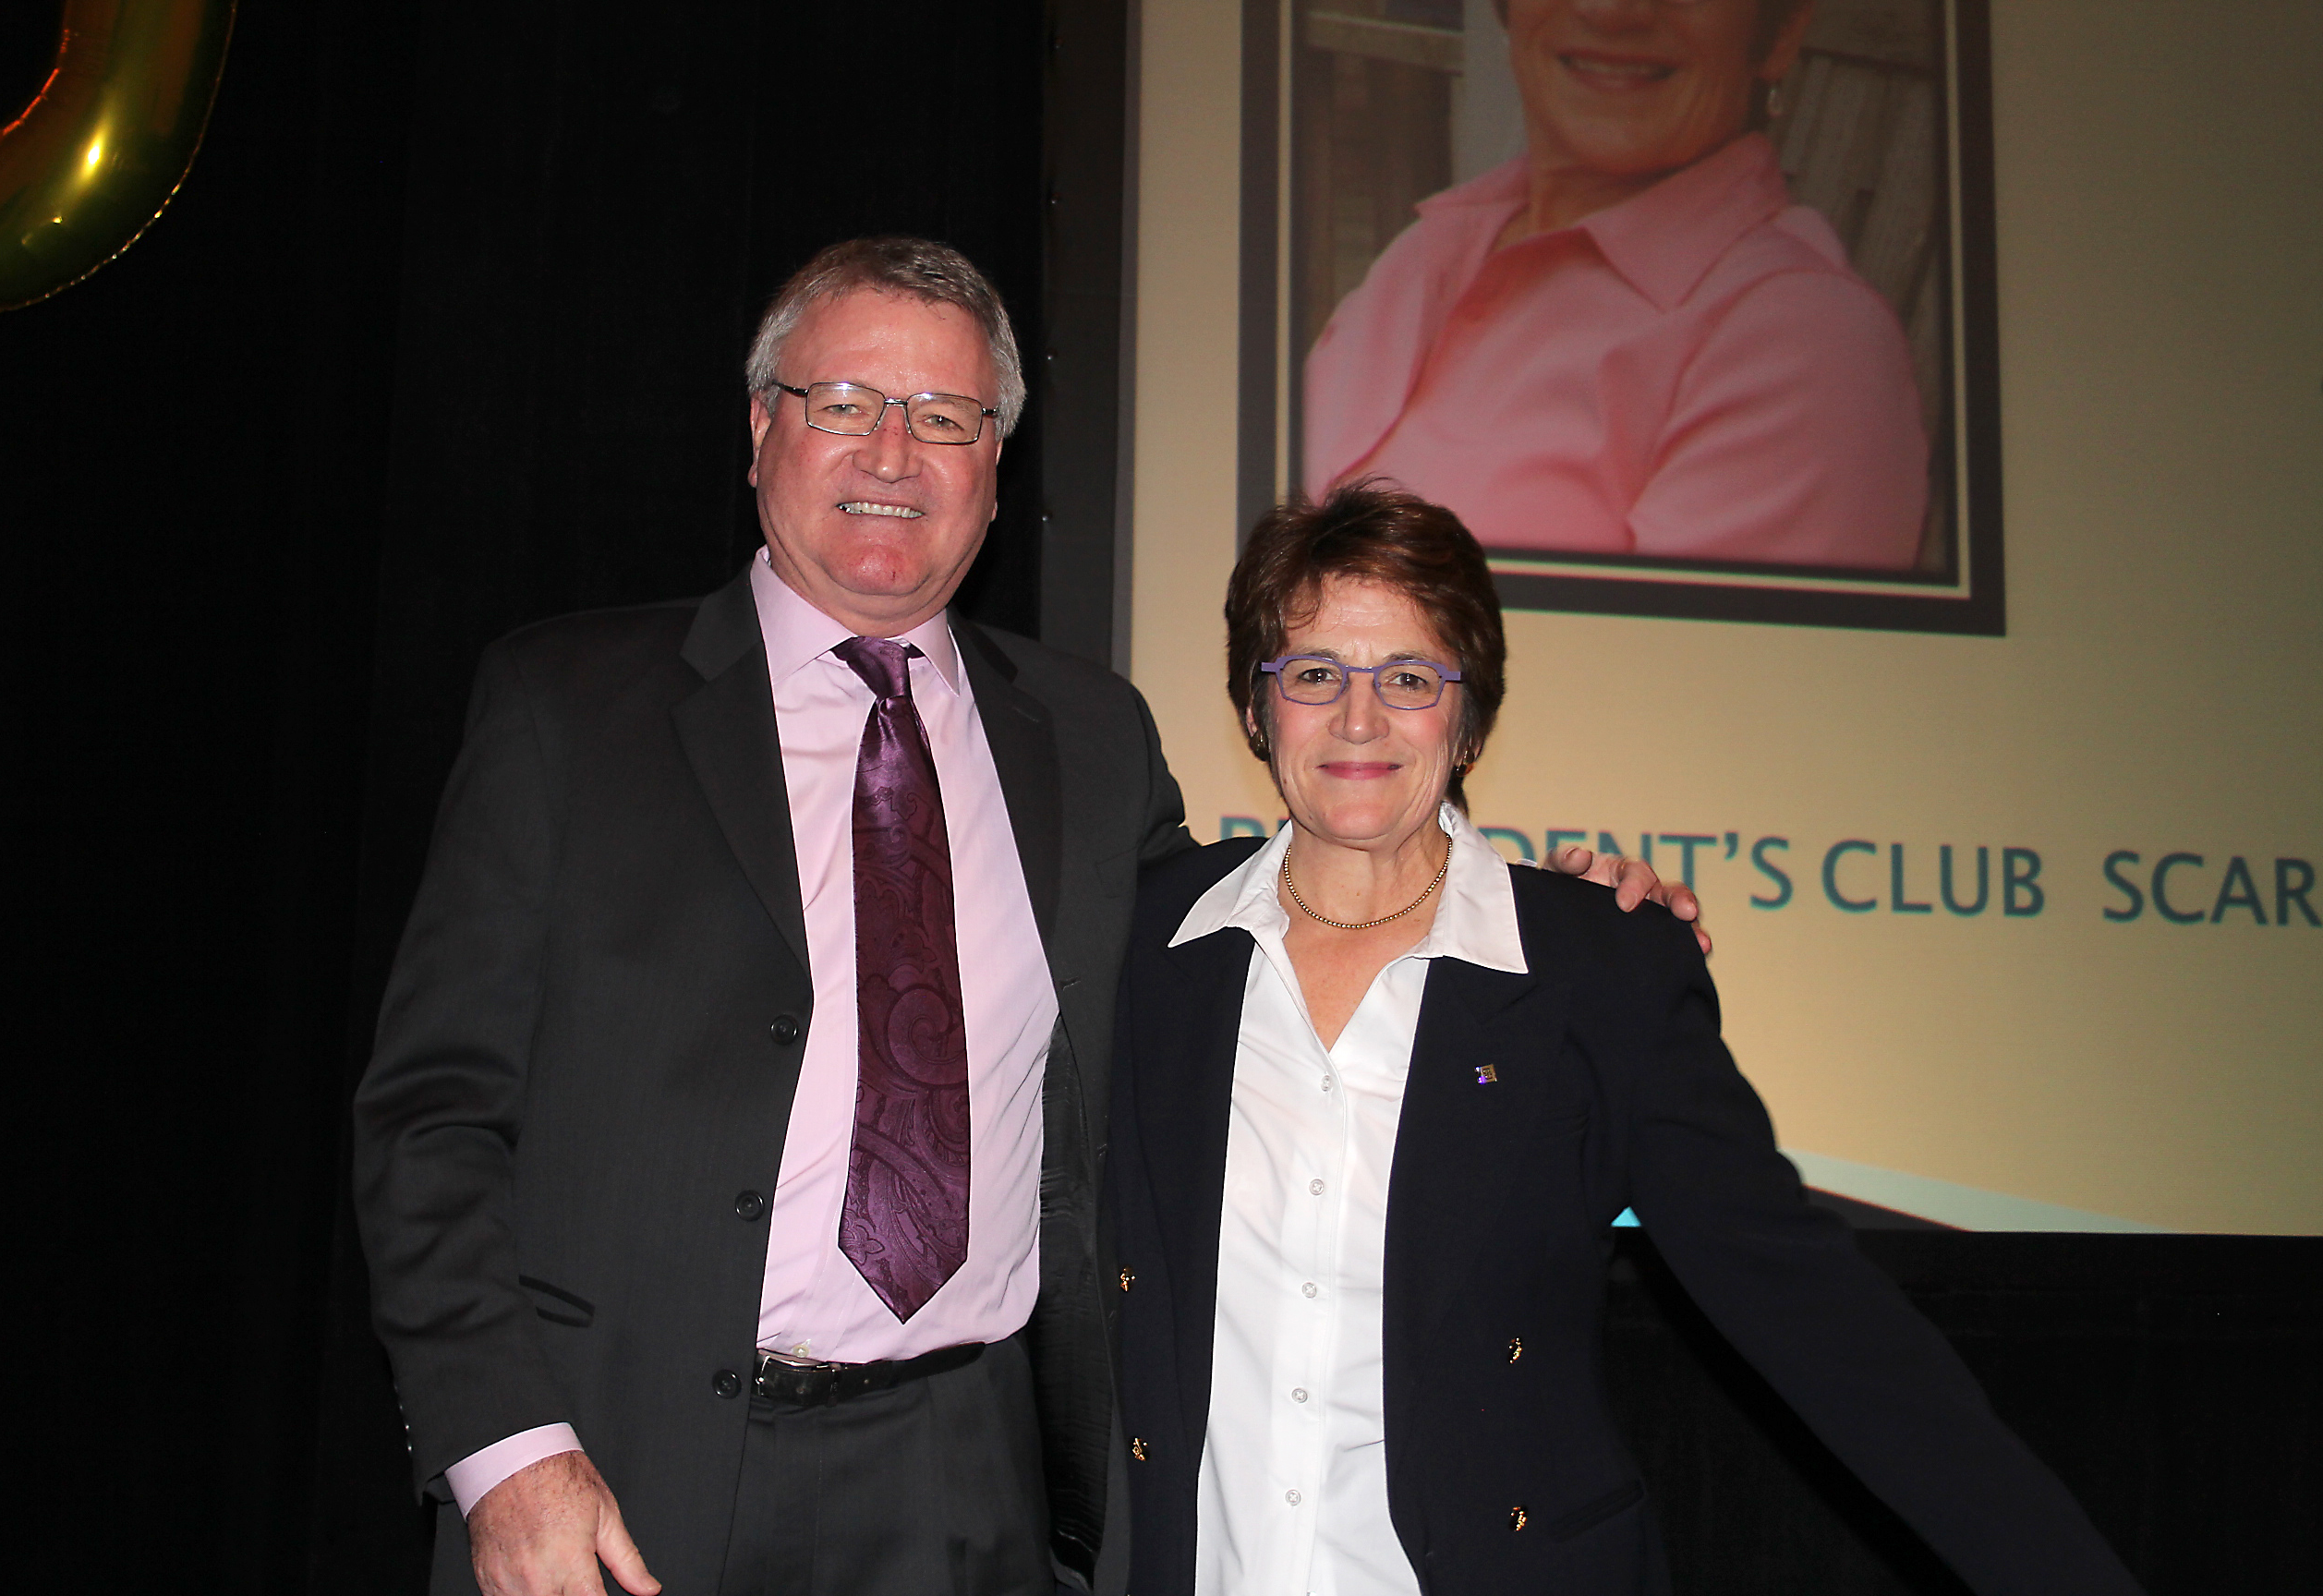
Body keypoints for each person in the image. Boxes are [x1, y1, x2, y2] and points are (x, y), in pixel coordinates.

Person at [352, 238, 1693, 1596]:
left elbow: (1277, 916)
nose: (893, 453)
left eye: (946, 416)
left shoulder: (1089, 740)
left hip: (967, 1480)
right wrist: (505, 1450)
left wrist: (1555, 920)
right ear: (760, 429)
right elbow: (430, 1120)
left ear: (995, 469)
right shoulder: (569, 711)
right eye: (844, 403)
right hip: (617, 1472)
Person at [1107, 483, 2143, 1593]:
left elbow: (1807, 1309)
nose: (1359, 719)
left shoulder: (1598, 970)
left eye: (1409, 678)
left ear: (1470, 719)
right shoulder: (1138, 937)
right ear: (1256, 708)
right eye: (1315, 673)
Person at [1304, 0, 1929, 571]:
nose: (1610, 11)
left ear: (1781, 29)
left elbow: (1691, 662)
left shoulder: (1806, 350)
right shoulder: (1430, 249)